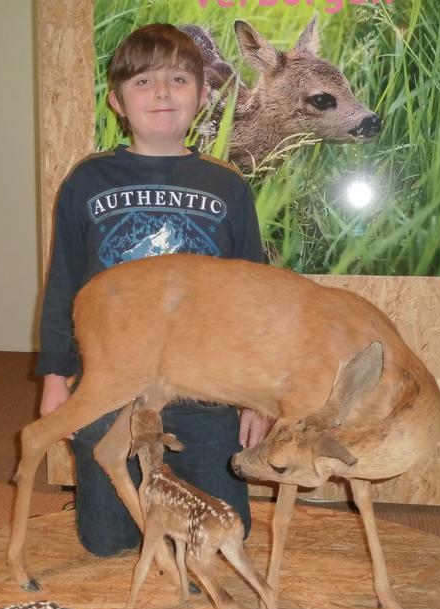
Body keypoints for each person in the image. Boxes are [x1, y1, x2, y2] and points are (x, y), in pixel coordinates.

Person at [36, 23, 270, 557]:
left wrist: (256, 398)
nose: (162, 92)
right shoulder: (87, 182)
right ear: (117, 101)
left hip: (204, 389)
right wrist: (55, 379)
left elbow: (253, 299)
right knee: (106, 541)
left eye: (178, 79)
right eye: (143, 82)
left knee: (225, 533)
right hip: (112, 384)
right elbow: (64, 283)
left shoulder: (228, 186)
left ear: (203, 95)